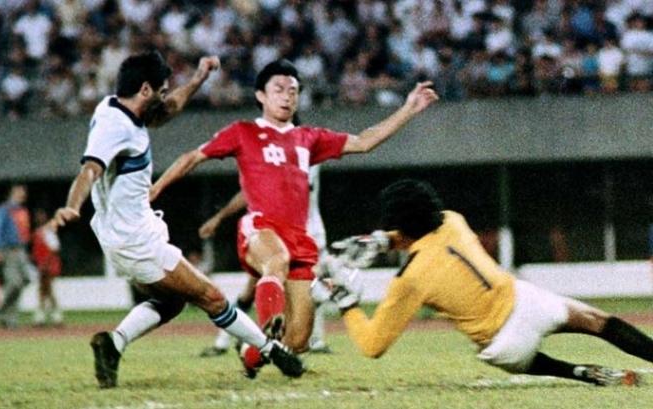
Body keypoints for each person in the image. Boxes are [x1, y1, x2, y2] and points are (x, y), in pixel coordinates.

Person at [149, 59, 438, 377]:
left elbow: (364, 141)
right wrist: (155, 189)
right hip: (261, 228)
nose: (287, 96)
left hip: (300, 238)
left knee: (298, 340)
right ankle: (267, 330)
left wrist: (408, 109)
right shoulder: (242, 132)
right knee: (276, 260)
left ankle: (251, 352)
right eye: (279, 89)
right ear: (260, 95)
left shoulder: (308, 138)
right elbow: (192, 157)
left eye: (293, 91)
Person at [51, 51, 303, 389]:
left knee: (171, 302)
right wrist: (72, 205)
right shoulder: (116, 127)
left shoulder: (114, 106)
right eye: (161, 90)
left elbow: (166, 110)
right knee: (212, 297)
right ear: (144, 90)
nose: (165, 97)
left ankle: (113, 344)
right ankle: (272, 351)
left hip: (123, 235)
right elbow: (90, 170)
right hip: (137, 240)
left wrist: (198, 79)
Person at [322, 179, 653, 386]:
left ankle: (578, 372)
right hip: (527, 303)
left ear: (398, 225)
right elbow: (420, 231)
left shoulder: (409, 280)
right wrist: (384, 240)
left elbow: (372, 346)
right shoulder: (452, 220)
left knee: (526, 360)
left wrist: (347, 303)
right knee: (598, 322)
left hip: (504, 343)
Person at [198, 165, 334, 357]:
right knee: (253, 291)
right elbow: (250, 192)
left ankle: (311, 341)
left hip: (308, 234)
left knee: (308, 290)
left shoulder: (307, 152)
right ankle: (225, 342)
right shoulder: (276, 158)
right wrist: (220, 217)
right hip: (275, 234)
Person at [0, 184, 34, 329]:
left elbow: (24, 232)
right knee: (14, 283)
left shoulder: (22, 210)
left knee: (25, 280)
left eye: (23, 192)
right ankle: (8, 317)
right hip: (8, 250)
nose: (22, 195)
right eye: (19, 192)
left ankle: (5, 313)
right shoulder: (4, 210)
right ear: (11, 193)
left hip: (21, 250)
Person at [31, 208, 64, 326]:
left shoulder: (48, 231)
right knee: (45, 290)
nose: (39, 218)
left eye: (41, 216)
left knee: (46, 289)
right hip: (42, 264)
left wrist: (46, 262)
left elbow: (55, 248)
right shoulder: (38, 231)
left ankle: (47, 316)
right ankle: (50, 316)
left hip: (48, 264)